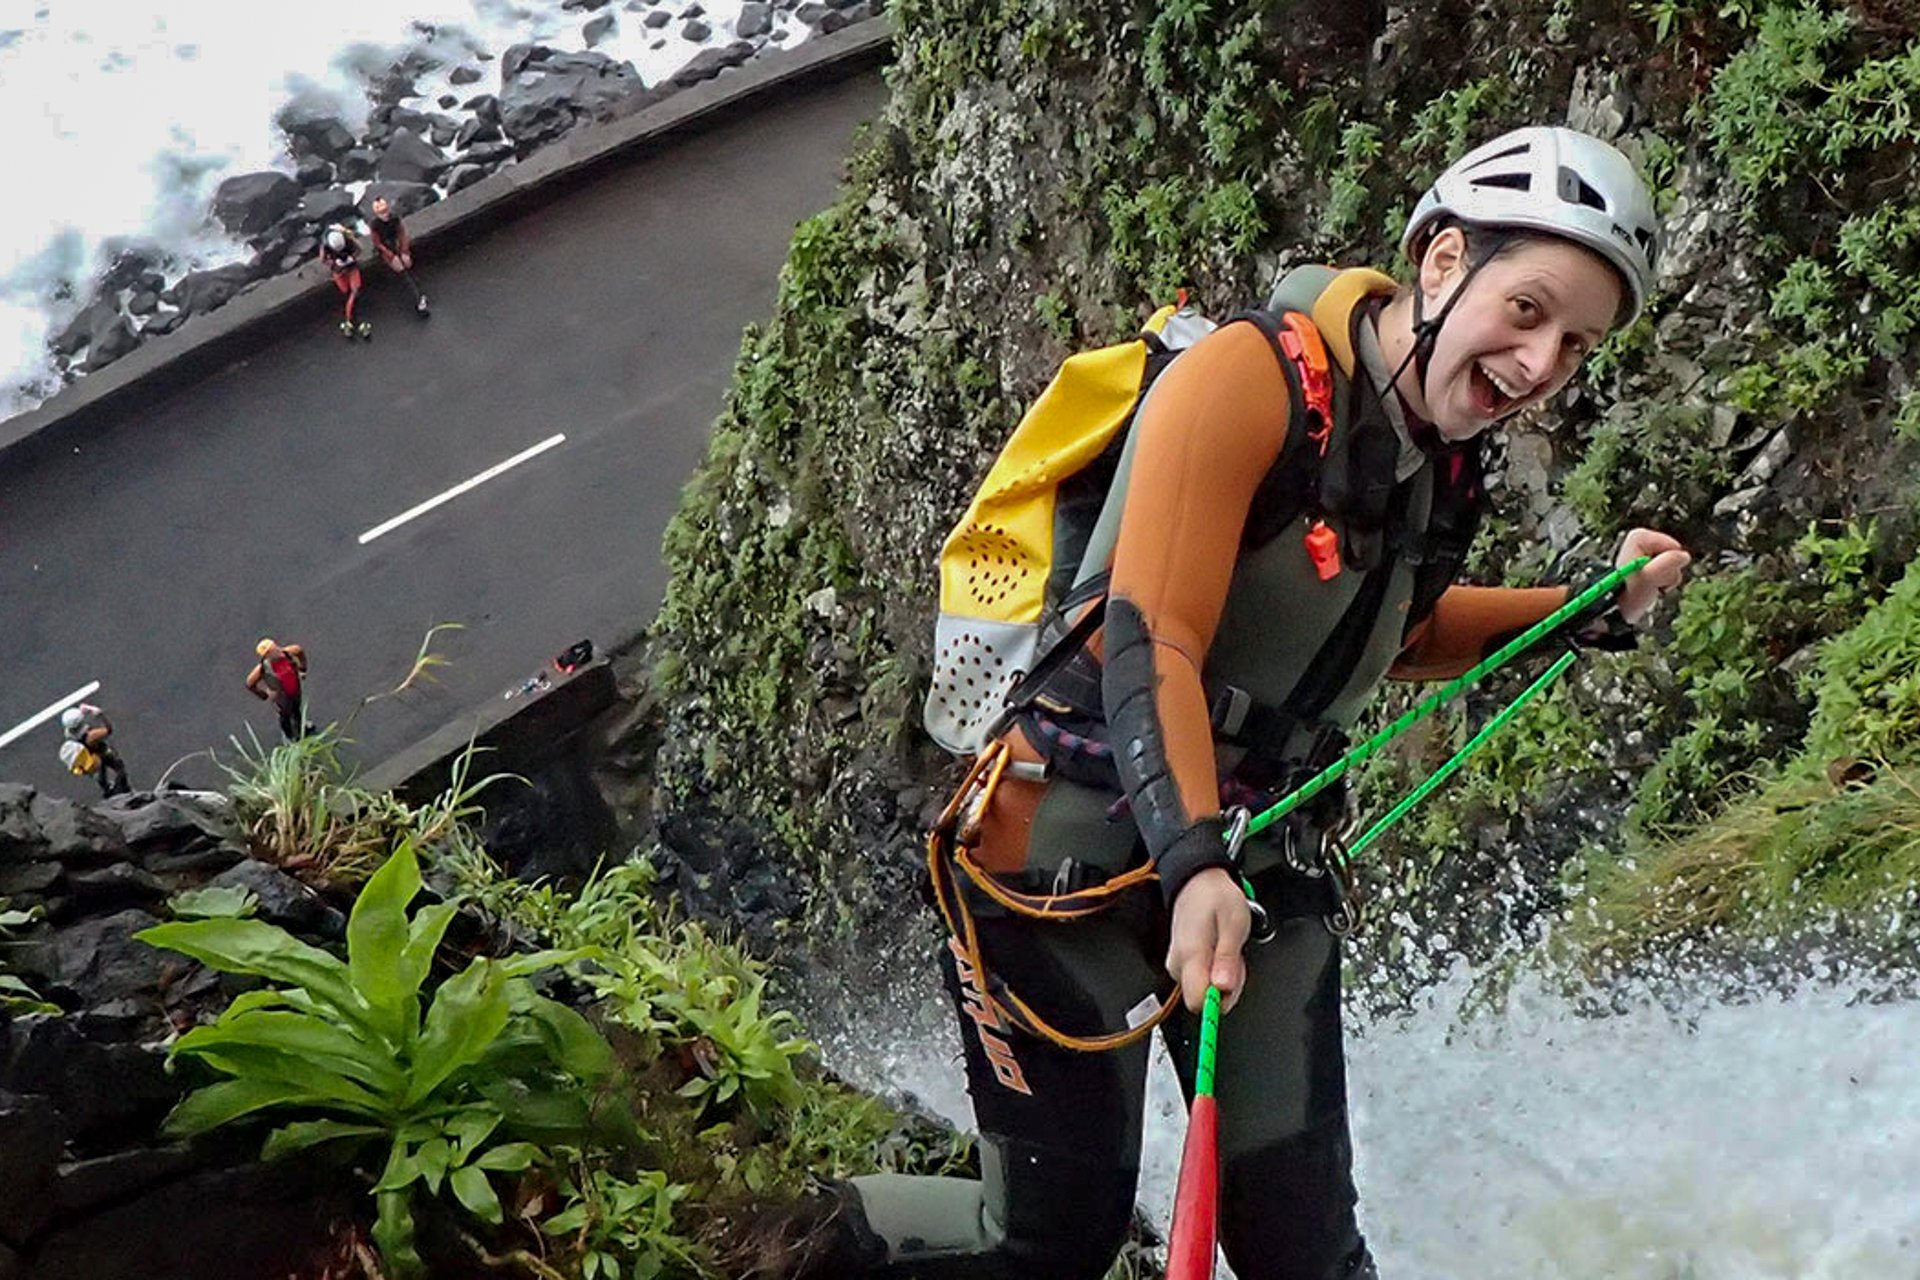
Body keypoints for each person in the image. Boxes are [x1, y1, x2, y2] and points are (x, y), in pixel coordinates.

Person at [813, 126, 1693, 1280]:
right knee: (1046, 1243)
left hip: (1259, 857)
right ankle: (797, 1239)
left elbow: (1393, 635)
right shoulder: (1247, 377)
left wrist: (1581, 607)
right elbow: (1153, 639)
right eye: (1527, 310)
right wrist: (1193, 867)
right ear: (1442, 261)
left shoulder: (1431, 458)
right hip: (1064, 860)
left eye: (1574, 343)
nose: (1538, 363)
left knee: (1304, 1252)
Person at [366, 195, 430, 316]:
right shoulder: (375, 225)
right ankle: (417, 297)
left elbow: (402, 233)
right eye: (381, 213)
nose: (385, 215)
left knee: (407, 263)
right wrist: (390, 255)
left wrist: (404, 250)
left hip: (395, 243)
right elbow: (377, 243)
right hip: (385, 248)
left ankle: (418, 293)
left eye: (385, 211)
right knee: (401, 269)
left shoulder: (394, 218)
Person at [59, 703, 130, 797]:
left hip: (89, 758)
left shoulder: (69, 735)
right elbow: (108, 730)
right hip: (101, 752)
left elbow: (75, 724)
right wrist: (100, 715)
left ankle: (107, 790)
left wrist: (83, 712)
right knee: (119, 768)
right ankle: (124, 789)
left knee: (101, 776)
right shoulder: (91, 736)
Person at [246, 638, 310, 741]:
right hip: (281, 697)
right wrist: (263, 694)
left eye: (275, 647)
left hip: (295, 690)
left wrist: (302, 669)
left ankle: (301, 727)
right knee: (285, 715)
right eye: (271, 651)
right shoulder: (263, 668)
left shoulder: (289, 653)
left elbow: (299, 651)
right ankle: (290, 735)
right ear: (266, 656)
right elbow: (250, 683)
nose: (276, 651)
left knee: (296, 710)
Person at [320, 225, 371, 339]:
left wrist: (351, 258)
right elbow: (323, 259)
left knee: (355, 292)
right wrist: (334, 264)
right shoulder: (326, 245)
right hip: (339, 270)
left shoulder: (348, 238)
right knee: (346, 292)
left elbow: (359, 249)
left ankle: (349, 320)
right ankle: (355, 321)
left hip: (351, 267)